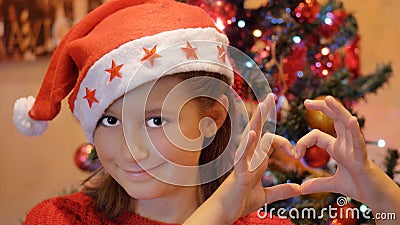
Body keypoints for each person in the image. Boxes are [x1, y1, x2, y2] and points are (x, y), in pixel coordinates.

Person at [12, 0, 399, 224]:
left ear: (210, 121)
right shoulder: (60, 219)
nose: (132, 151)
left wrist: (386, 205)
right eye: (111, 120)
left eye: (155, 120)